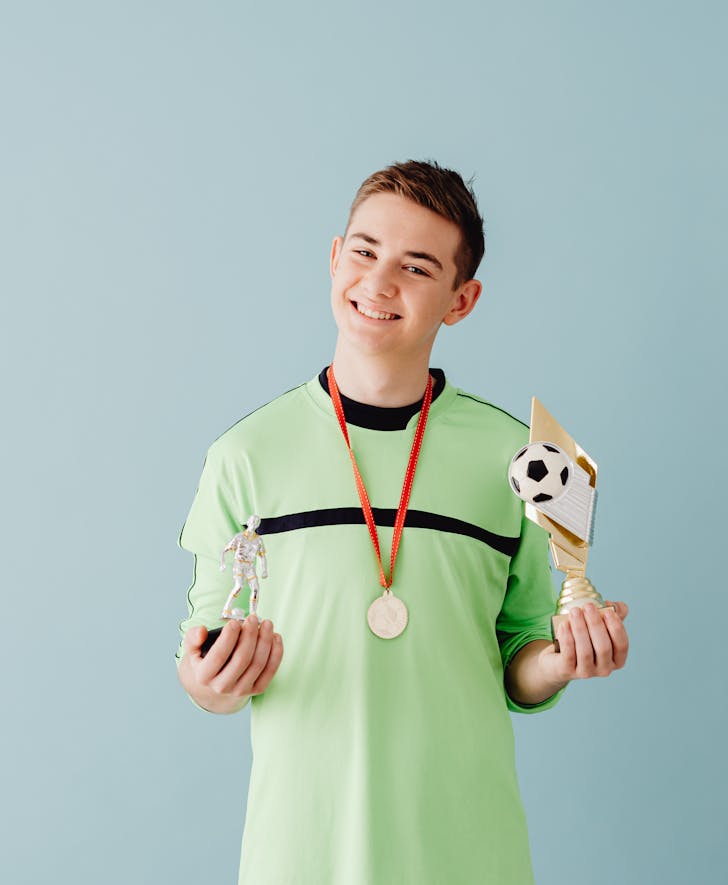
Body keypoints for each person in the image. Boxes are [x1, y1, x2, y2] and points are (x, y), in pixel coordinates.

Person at [176, 160, 629, 884]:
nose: (379, 282)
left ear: (461, 299)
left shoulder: (516, 459)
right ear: (334, 257)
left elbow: (521, 656)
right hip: (301, 857)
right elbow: (204, 658)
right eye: (364, 251)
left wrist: (562, 657)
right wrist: (214, 676)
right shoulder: (244, 456)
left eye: (417, 267)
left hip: (470, 855)